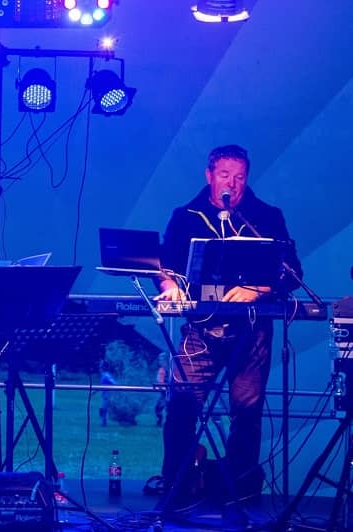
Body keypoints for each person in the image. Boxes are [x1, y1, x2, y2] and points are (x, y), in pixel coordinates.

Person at [154, 144, 302, 509]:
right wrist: (169, 286)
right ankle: (175, 489)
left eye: (239, 177)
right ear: (209, 176)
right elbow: (164, 266)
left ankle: (241, 493)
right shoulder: (186, 216)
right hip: (201, 331)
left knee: (247, 413)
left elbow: (293, 272)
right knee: (182, 406)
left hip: (251, 332)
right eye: (224, 175)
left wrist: (260, 289)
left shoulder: (266, 216)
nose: (232, 184)